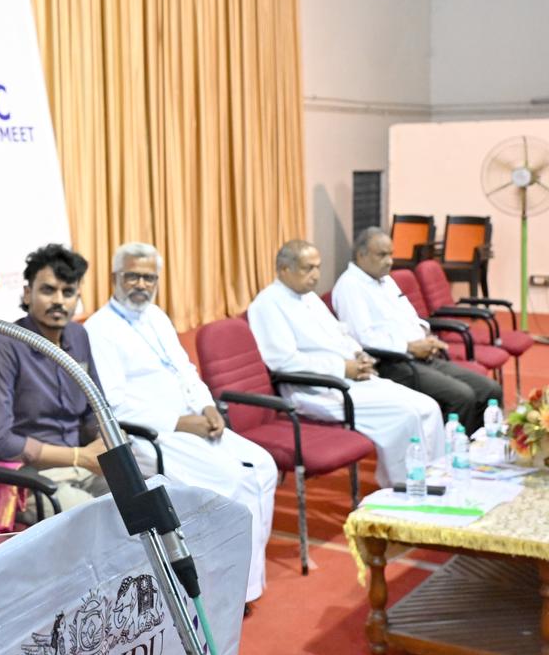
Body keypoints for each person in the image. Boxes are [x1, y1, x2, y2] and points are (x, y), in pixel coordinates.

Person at [85, 243, 277, 603]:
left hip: (195, 424)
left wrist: (207, 407)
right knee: (230, 480)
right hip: (150, 436)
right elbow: (113, 404)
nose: (141, 284)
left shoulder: (157, 316)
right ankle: (222, 585)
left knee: (263, 467)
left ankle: (246, 580)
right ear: (114, 278)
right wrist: (178, 422)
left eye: (149, 277)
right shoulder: (99, 329)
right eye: (132, 276)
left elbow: (185, 371)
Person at [248, 240, 444, 488]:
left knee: (428, 406)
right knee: (406, 416)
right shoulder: (267, 305)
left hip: (349, 378)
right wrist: (341, 367)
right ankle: (403, 489)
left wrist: (359, 354)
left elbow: (340, 333)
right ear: (284, 270)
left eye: (318, 267)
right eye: (308, 268)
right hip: (316, 389)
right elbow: (283, 362)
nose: (316, 275)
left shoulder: (308, 297)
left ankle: (436, 479)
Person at [0, 244, 109, 512]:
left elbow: (96, 410)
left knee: (145, 499)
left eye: (68, 292)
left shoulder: (79, 337)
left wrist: (109, 438)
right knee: (98, 519)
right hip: (30, 476)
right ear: (27, 293)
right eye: (48, 290)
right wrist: (79, 457)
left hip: (84, 465)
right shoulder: (2, 347)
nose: (59, 300)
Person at [332, 227, 502, 433]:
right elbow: (363, 339)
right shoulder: (350, 286)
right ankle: (454, 456)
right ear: (361, 255)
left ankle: (479, 449)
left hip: (421, 356)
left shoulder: (385, 280)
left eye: (391, 254)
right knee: (461, 396)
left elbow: (410, 316)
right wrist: (410, 347)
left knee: (489, 389)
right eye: (382, 255)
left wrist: (427, 336)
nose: (389, 261)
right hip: (391, 364)